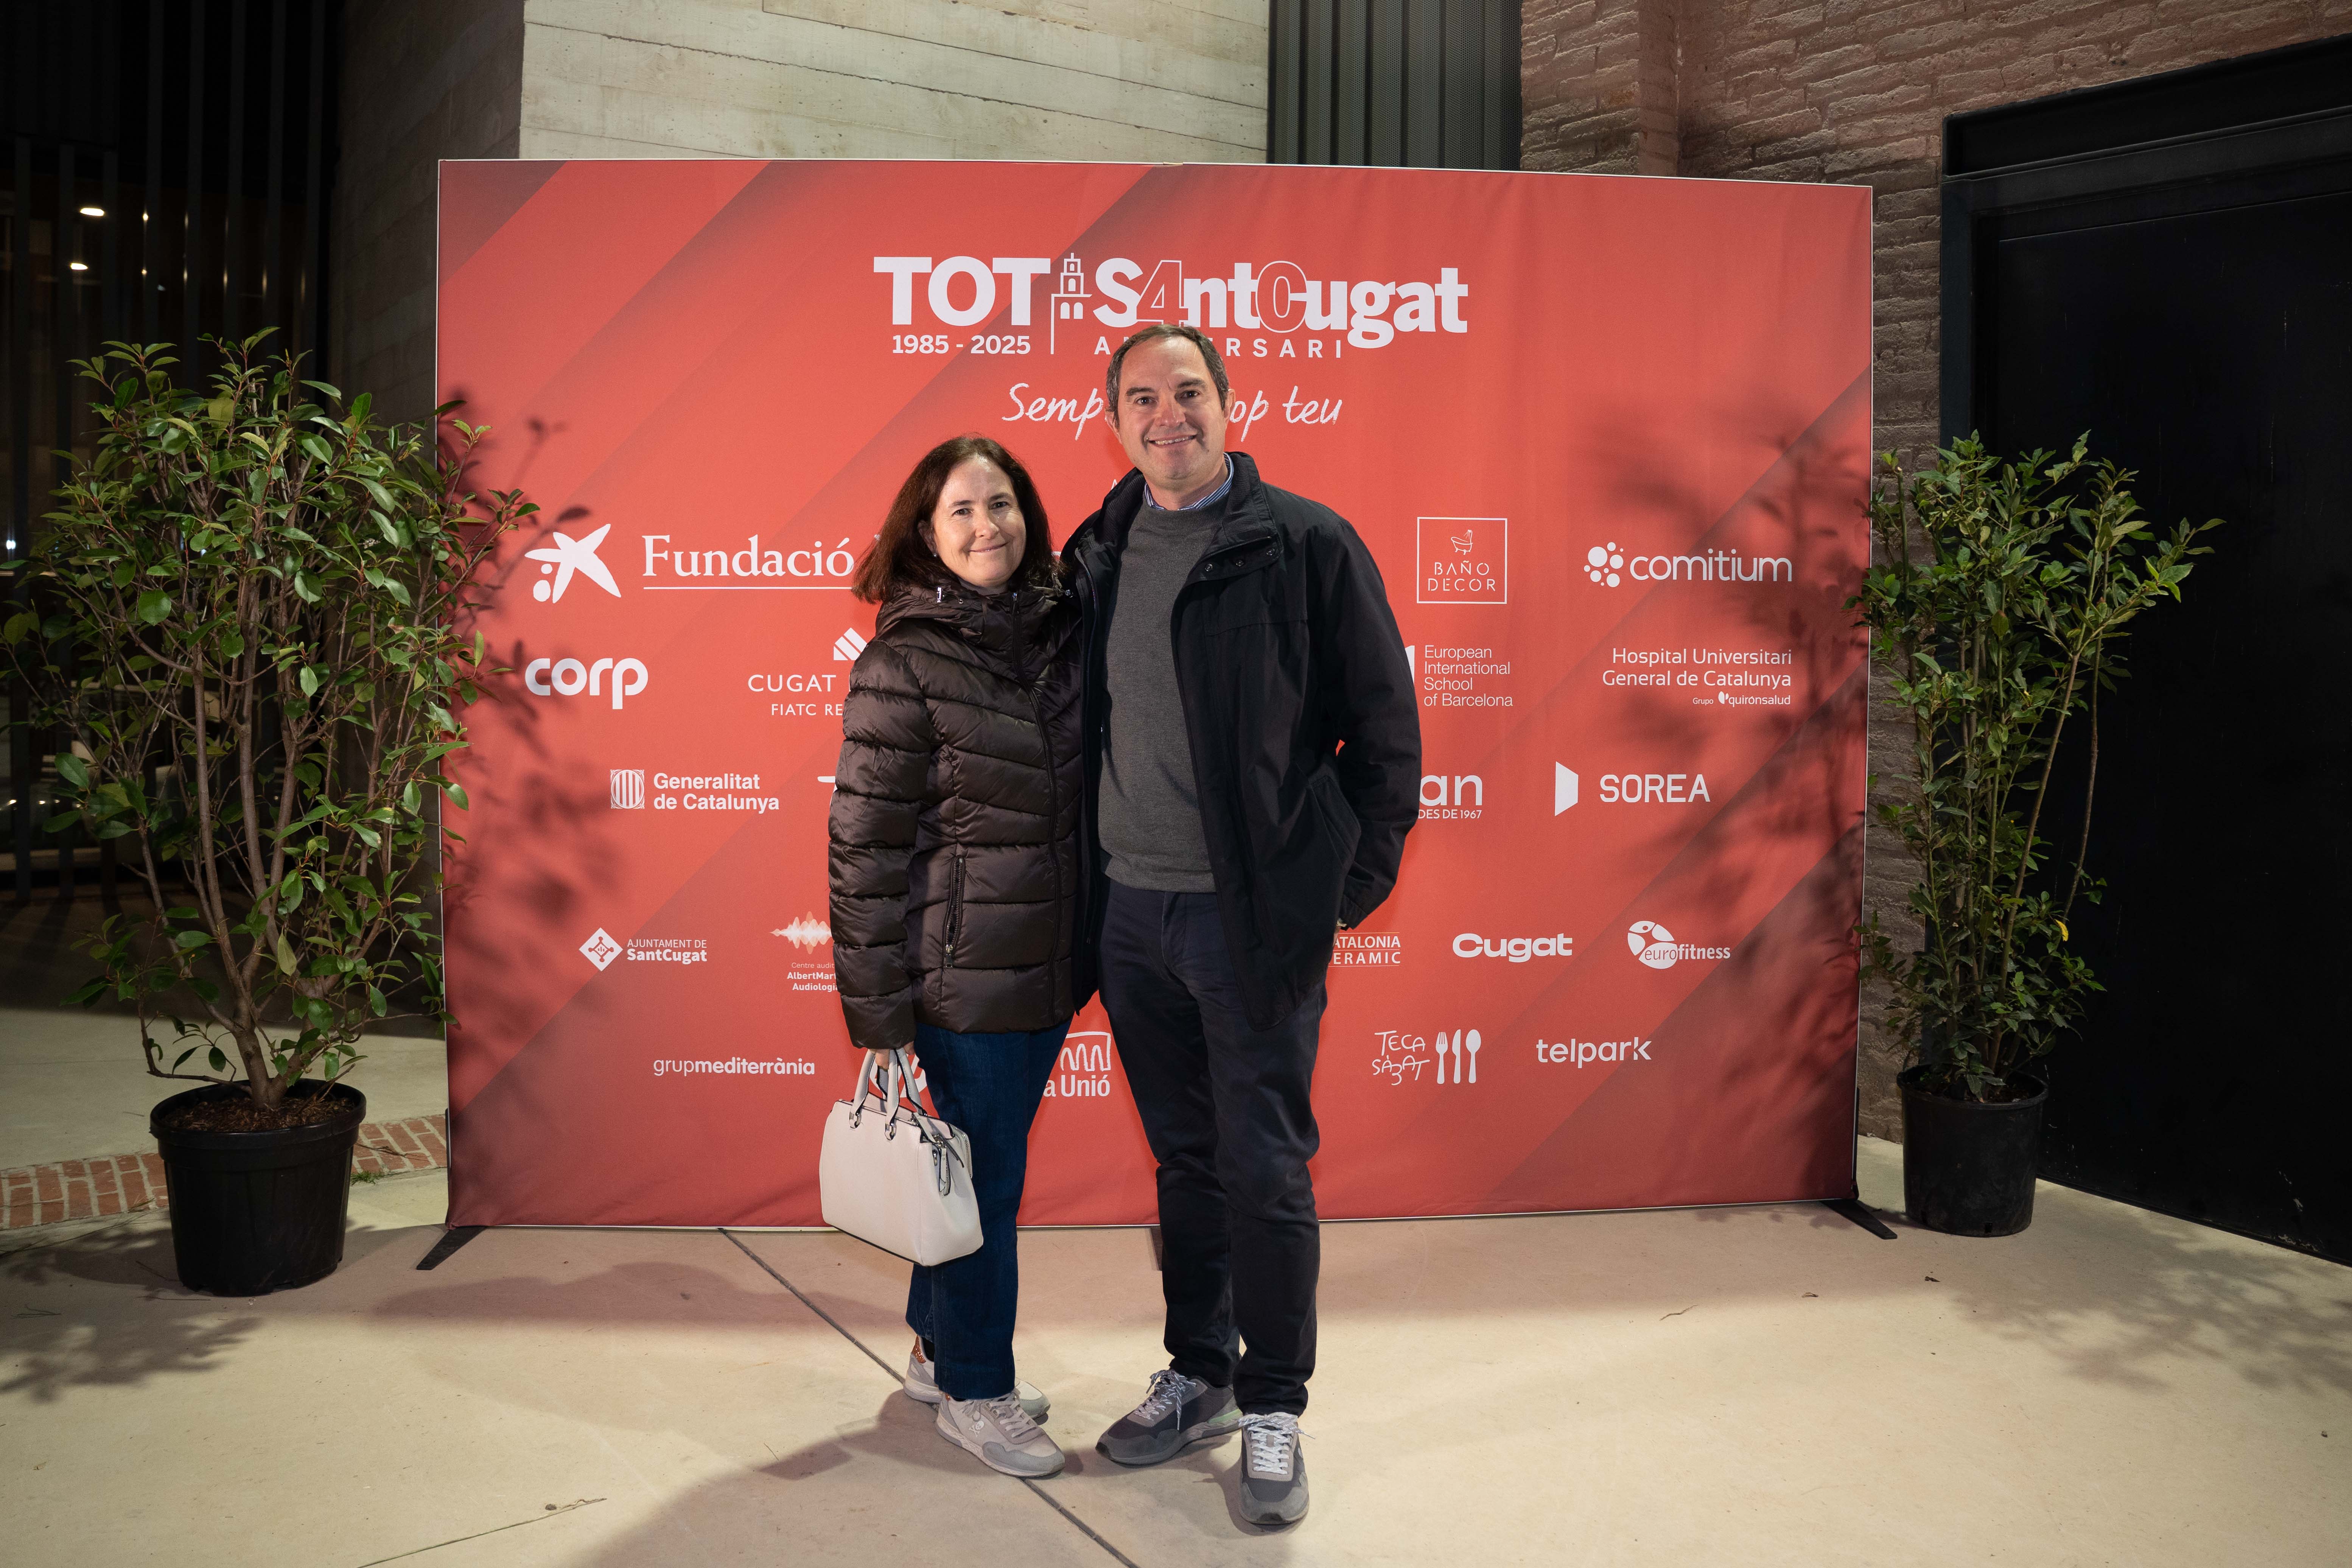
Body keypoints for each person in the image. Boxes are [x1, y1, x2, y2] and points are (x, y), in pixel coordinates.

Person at [1063, 324, 1420, 1525]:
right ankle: (1200, 1372)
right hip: (1130, 911)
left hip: (1249, 919)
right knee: (1190, 1163)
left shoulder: (1305, 544)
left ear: (1230, 401)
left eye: (1190, 392)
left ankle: (1275, 1404)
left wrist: (1337, 887)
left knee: (1265, 1168)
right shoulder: (1100, 549)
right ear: (1113, 420)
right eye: (1143, 399)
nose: (1169, 416)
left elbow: (1386, 734)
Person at [828, 434, 1088, 1479]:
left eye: (1003, 504)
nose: (990, 527)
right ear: (925, 536)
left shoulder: (1055, 632)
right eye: (963, 512)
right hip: (963, 980)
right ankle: (978, 1392)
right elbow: (863, 848)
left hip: (1045, 966)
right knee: (985, 1191)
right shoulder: (906, 658)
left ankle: (941, 1352)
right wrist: (881, 1016)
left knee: (966, 1175)